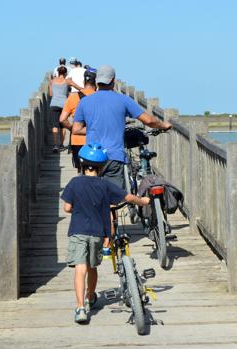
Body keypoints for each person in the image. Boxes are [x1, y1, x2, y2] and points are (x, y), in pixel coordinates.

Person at [61, 143, 150, 324]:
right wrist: (143, 201)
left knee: (80, 267)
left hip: (78, 231)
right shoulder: (105, 185)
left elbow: (67, 207)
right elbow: (128, 197)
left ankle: (80, 308)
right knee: (92, 267)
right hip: (97, 233)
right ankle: (90, 296)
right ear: (101, 168)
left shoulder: (74, 183)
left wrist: (77, 208)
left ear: (82, 164)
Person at [72, 64, 172, 190]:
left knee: (93, 194)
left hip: (92, 157)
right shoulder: (123, 100)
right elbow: (149, 120)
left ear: (97, 81)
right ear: (113, 80)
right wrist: (163, 125)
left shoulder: (84, 101)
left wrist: (94, 128)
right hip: (113, 156)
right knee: (113, 197)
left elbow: (76, 129)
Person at [60, 68, 97, 172]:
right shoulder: (100, 97)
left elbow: (62, 119)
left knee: (81, 171)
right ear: (96, 83)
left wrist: (73, 128)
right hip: (96, 140)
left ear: (84, 82)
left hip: (77, 140)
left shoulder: (73, 97)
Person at [48, 66, 69, 152]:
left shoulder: (52, 81)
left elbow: (50, 94)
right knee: (63, 126)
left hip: (54, 104)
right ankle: (61, 144)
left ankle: (56, 145)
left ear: (58, 72)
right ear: (65, 73)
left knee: (55, 125)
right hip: (64, 104)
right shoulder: (67, 81)